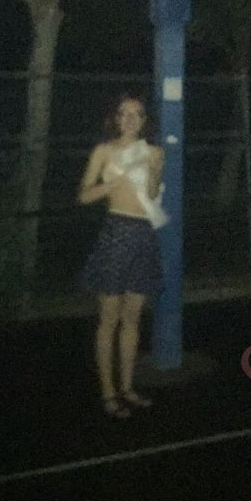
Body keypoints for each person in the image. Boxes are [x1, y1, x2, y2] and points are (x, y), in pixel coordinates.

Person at [78, 93, 167, 419]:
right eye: (123, 113)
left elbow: (153, 194)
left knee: (132, 318)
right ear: (115, 118)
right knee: (109, 320)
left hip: (143, 235)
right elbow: (84, 196)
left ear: (144, 120)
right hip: (116, 233)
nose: (129, 119)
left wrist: (154, 171)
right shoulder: (104, 151)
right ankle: (108, 392)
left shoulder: (154, 152)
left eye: (136, 114)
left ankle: (128, 388)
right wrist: (112, 183)